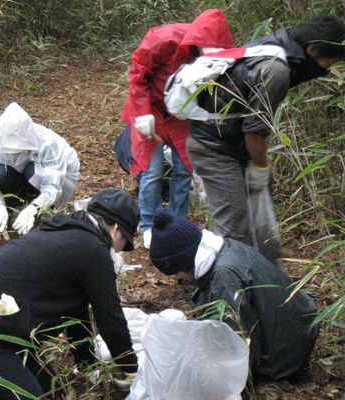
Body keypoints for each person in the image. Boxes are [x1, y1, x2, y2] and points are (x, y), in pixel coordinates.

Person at [0, 189, 140, 399]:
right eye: (124, 242)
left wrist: (87, 364)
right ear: (116, 228)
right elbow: (111, 319)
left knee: (56, 392)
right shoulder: (93, 250)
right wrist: (129, 369)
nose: (121, 249)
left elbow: (78, 310)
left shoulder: (71, 234)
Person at [186, 15, 345, 265]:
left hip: (232, 143)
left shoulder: (277, 46)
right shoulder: (276, 69)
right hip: (214, 149)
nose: (326, 70)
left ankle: (268, 275)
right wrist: (261, 166)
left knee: (260, 225)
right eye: (328, 63)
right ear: (312, 49)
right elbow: (255, 130)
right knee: (235, 232)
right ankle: (229, 296)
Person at [148, 208, 319, 382]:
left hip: (284, 354)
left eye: (174, 273)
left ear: (182, 265)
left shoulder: (224, 277)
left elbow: (235, 340)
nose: (177, 278)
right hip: (298, 329)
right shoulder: (226, 247)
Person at [119, 9, 234, 249]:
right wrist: (142, 113)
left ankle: (176, 225)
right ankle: (150, 225)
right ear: (197, 41)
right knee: (152, 171)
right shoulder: (164, 39)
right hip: (149, 106)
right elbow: (137, 75)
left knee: (183, 171)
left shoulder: (222, 58)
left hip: (182, 113)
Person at [0, 102, 80, 236]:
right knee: (2, 172)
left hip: (61, 179)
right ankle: (15, 209)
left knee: (33, 171)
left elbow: (52, 186)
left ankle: (44, 212)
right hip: (21, 175)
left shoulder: (48, 144)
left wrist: (33, 209)